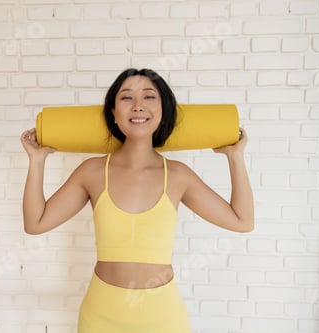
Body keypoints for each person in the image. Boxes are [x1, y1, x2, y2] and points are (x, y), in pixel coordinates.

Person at [20, 68, 254, 332]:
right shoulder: (92, 172)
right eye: (127, 98)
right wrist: (36, 161)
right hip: (101, 316)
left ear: (163, 109)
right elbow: (35, 223)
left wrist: (235, 157)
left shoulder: (178, 176)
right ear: (113, 112)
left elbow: (242, 221)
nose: (138, 106)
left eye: (149, 97)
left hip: (163, 318)